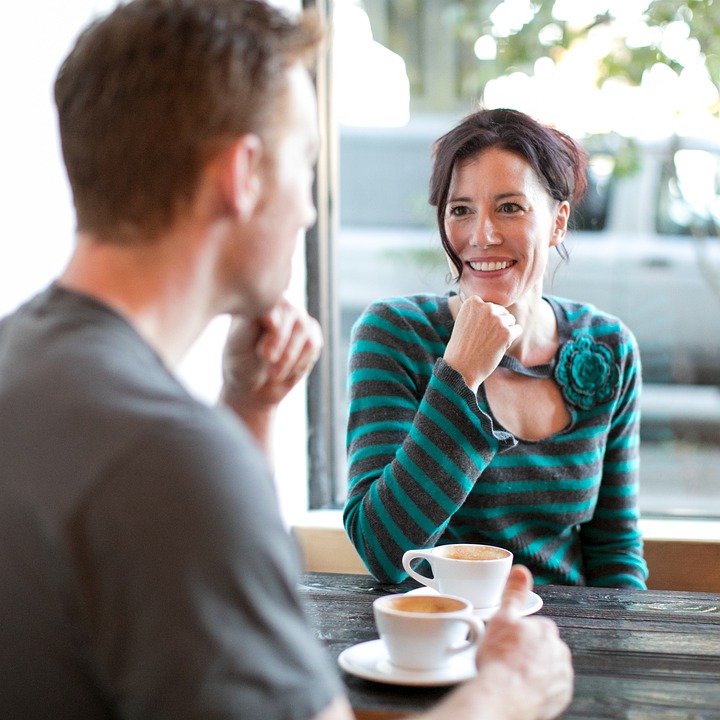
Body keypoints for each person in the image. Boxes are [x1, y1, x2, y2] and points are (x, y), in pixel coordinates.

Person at [0, 2, 572, 719]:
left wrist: (248, 407)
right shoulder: (168, 459)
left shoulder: (24, 365)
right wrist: (507, 694)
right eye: (306, 165)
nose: (309, 209)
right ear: (243, 174)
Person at [344, 108, 649, 589]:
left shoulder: (609, 346)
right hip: (439, 637)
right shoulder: (394, 334)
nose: (481, 235)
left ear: (557, 223)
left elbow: (615, 548)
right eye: (460, 209)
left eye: (510, 207)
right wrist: (459, 373)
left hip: (565, 642)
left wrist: (617, 650)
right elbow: (383, 550)